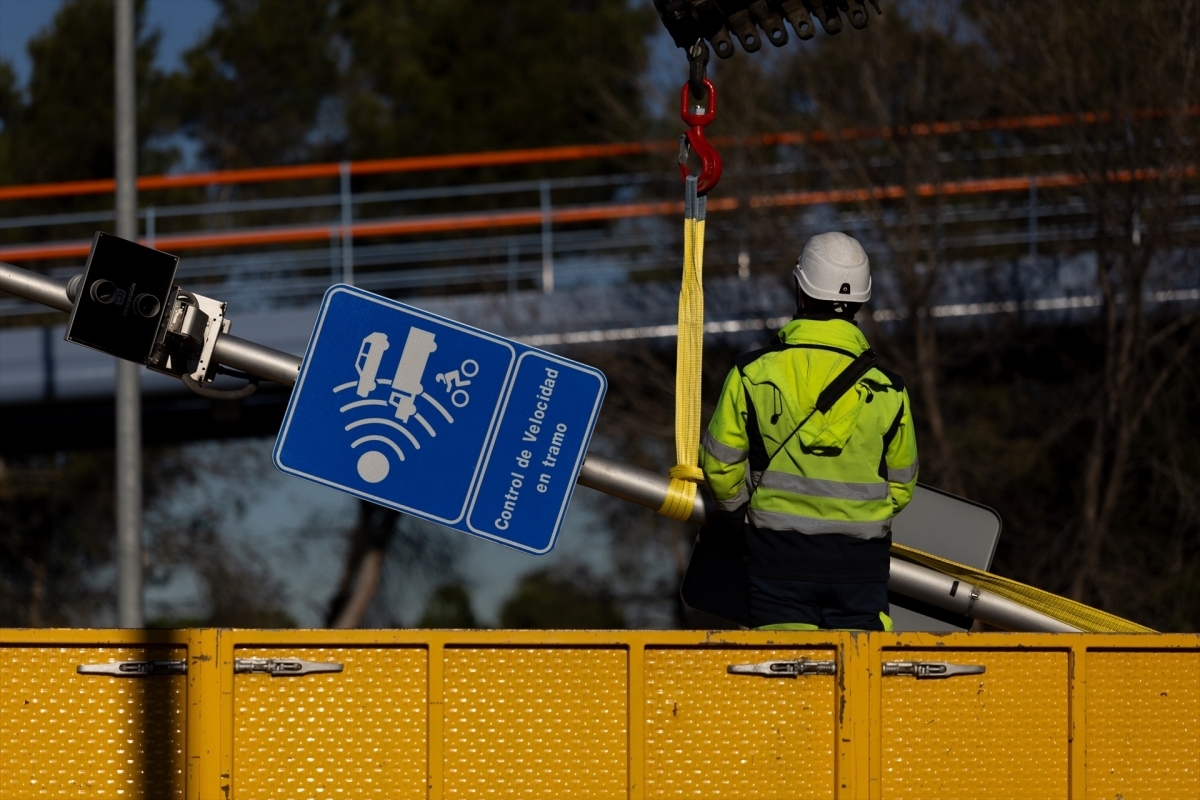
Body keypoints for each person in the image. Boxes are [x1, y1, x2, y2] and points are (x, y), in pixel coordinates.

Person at [699, 232, 918, 631]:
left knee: (786, 667)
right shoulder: (889, 389)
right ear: (861, 301)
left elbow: (719, 464)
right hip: (861, 566)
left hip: (776, 561)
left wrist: (742, 515)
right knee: (859, 668)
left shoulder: (752, 373)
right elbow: (901, 486)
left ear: (801, 291)